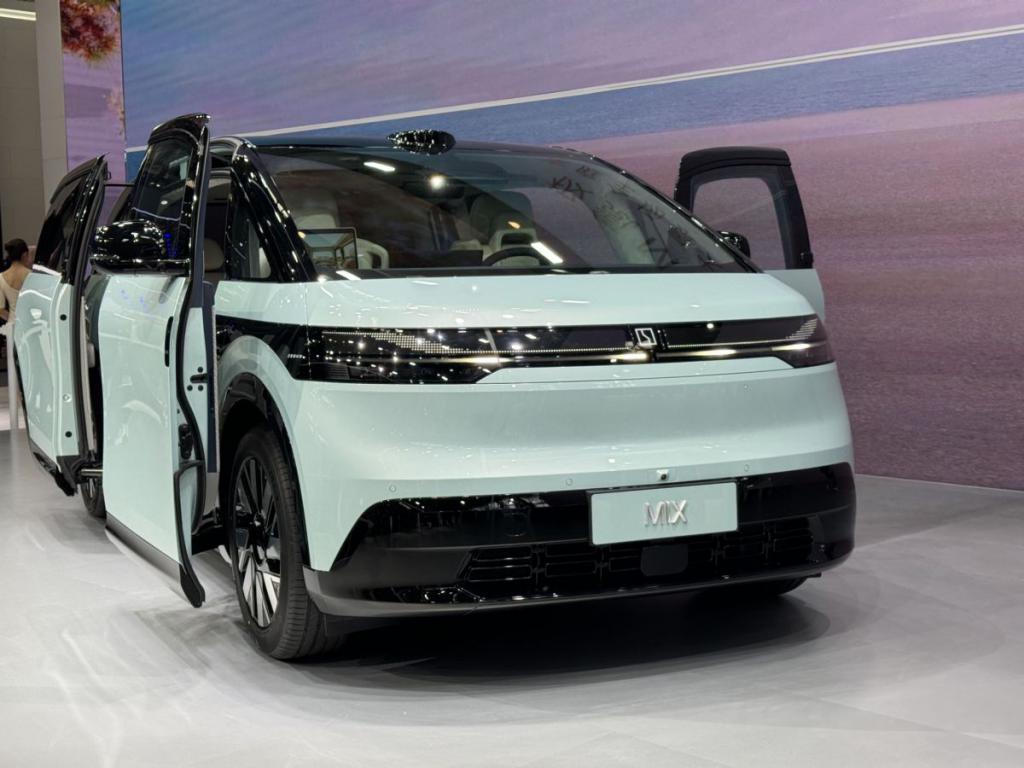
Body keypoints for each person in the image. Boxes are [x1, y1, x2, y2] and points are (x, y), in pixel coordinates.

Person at [1, 238, 34, 333]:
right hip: (31, 325)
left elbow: (0, 310)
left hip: (12, 327)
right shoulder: (32, 276)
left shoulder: (0, 277)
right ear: (24, 255)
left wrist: (13, 319)